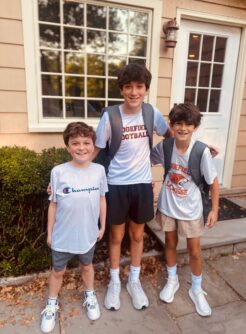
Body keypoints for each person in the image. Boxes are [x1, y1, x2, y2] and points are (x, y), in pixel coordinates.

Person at [94, 63, 170, 311]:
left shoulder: (151, 113)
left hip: (141, 184)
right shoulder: (111, 116)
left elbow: (172, 136)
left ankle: (134, 281)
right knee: (116, 236)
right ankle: (115, 281)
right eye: (128, 87)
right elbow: (95, 151)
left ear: (146, 89)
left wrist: (197, 150)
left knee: (137, 235)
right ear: (121, 90)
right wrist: (69, 173)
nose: (134, 92)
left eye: (139, 87)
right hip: (115, 184)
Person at [151, 103, 219, 317]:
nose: (183, 128)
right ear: (171, 125)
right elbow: (145, 160)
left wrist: (214, 209)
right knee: (170, 243)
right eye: (178, 123)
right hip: (168, 205)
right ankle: (172, 280)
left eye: (188, 124)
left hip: (191, 208)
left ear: (195, 127)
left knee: (194, 250)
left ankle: (196, 288)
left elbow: (213, 181)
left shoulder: (201, 151)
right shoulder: (165, 147)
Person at [41, 122, 108, 333]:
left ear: (92, 145)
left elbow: (102, 200)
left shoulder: (99, 170)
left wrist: (102, 226)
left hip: (88, 234)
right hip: (62, 235)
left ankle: (90, 295)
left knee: (87, 267)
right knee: (57, 272)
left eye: (86, 143)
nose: (81, 147)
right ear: (68, 147)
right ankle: (51, 304)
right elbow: (53, 204)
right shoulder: (58, 172)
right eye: (75, 143)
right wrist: (50, 232)